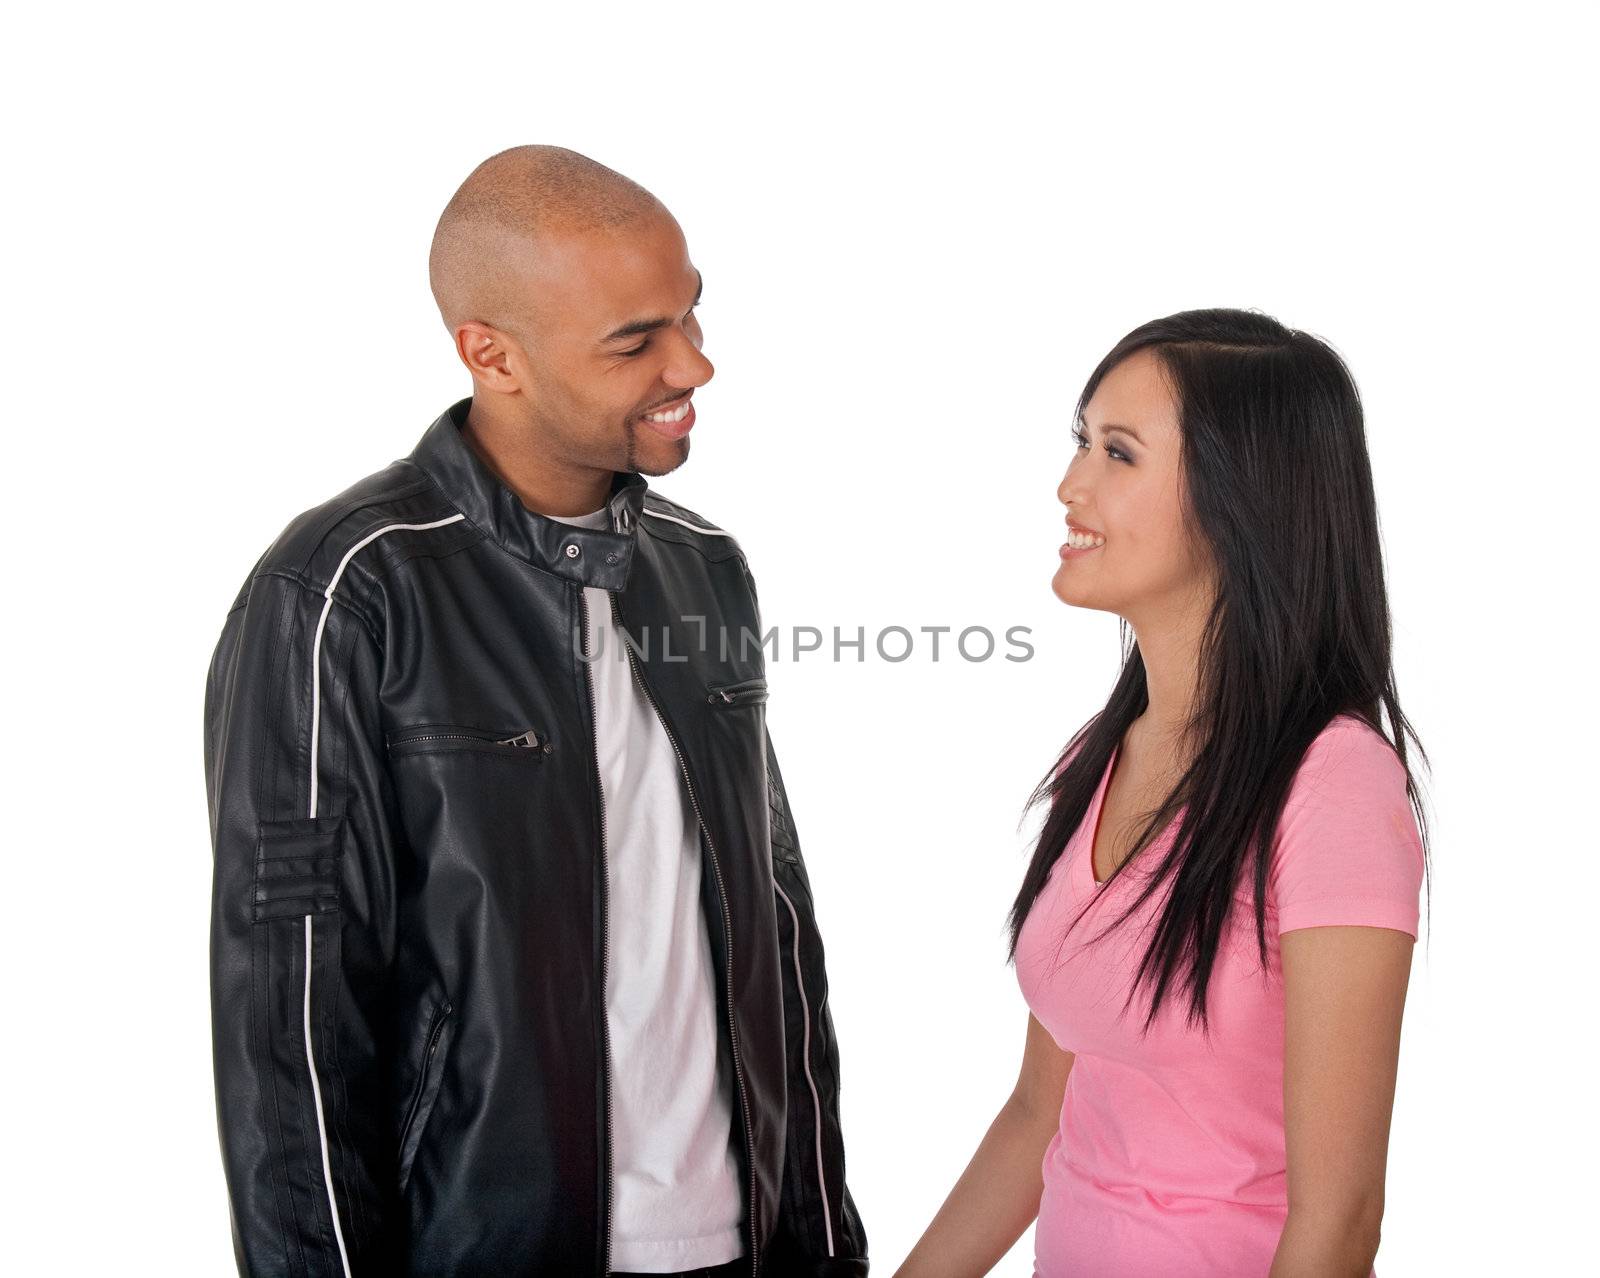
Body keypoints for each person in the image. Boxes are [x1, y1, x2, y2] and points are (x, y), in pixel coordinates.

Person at [203, 144, 868, 1278]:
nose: (694, 364)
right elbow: (291, 1014)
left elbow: (778, 926)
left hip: (741, 1244)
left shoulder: (703, 566)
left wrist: (823, 1242)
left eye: (691, 314)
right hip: (484, 1245)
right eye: (636, 340)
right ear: (489, 354)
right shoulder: (348, 588)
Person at [897, 309, 1430, 1277]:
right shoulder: (1094, 763)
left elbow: (1340, 1218)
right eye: (1079, 443)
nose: (1069, 486)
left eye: (1118, 453)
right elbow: (1034, 1118)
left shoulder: (1335, 786)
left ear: (1242, 500)